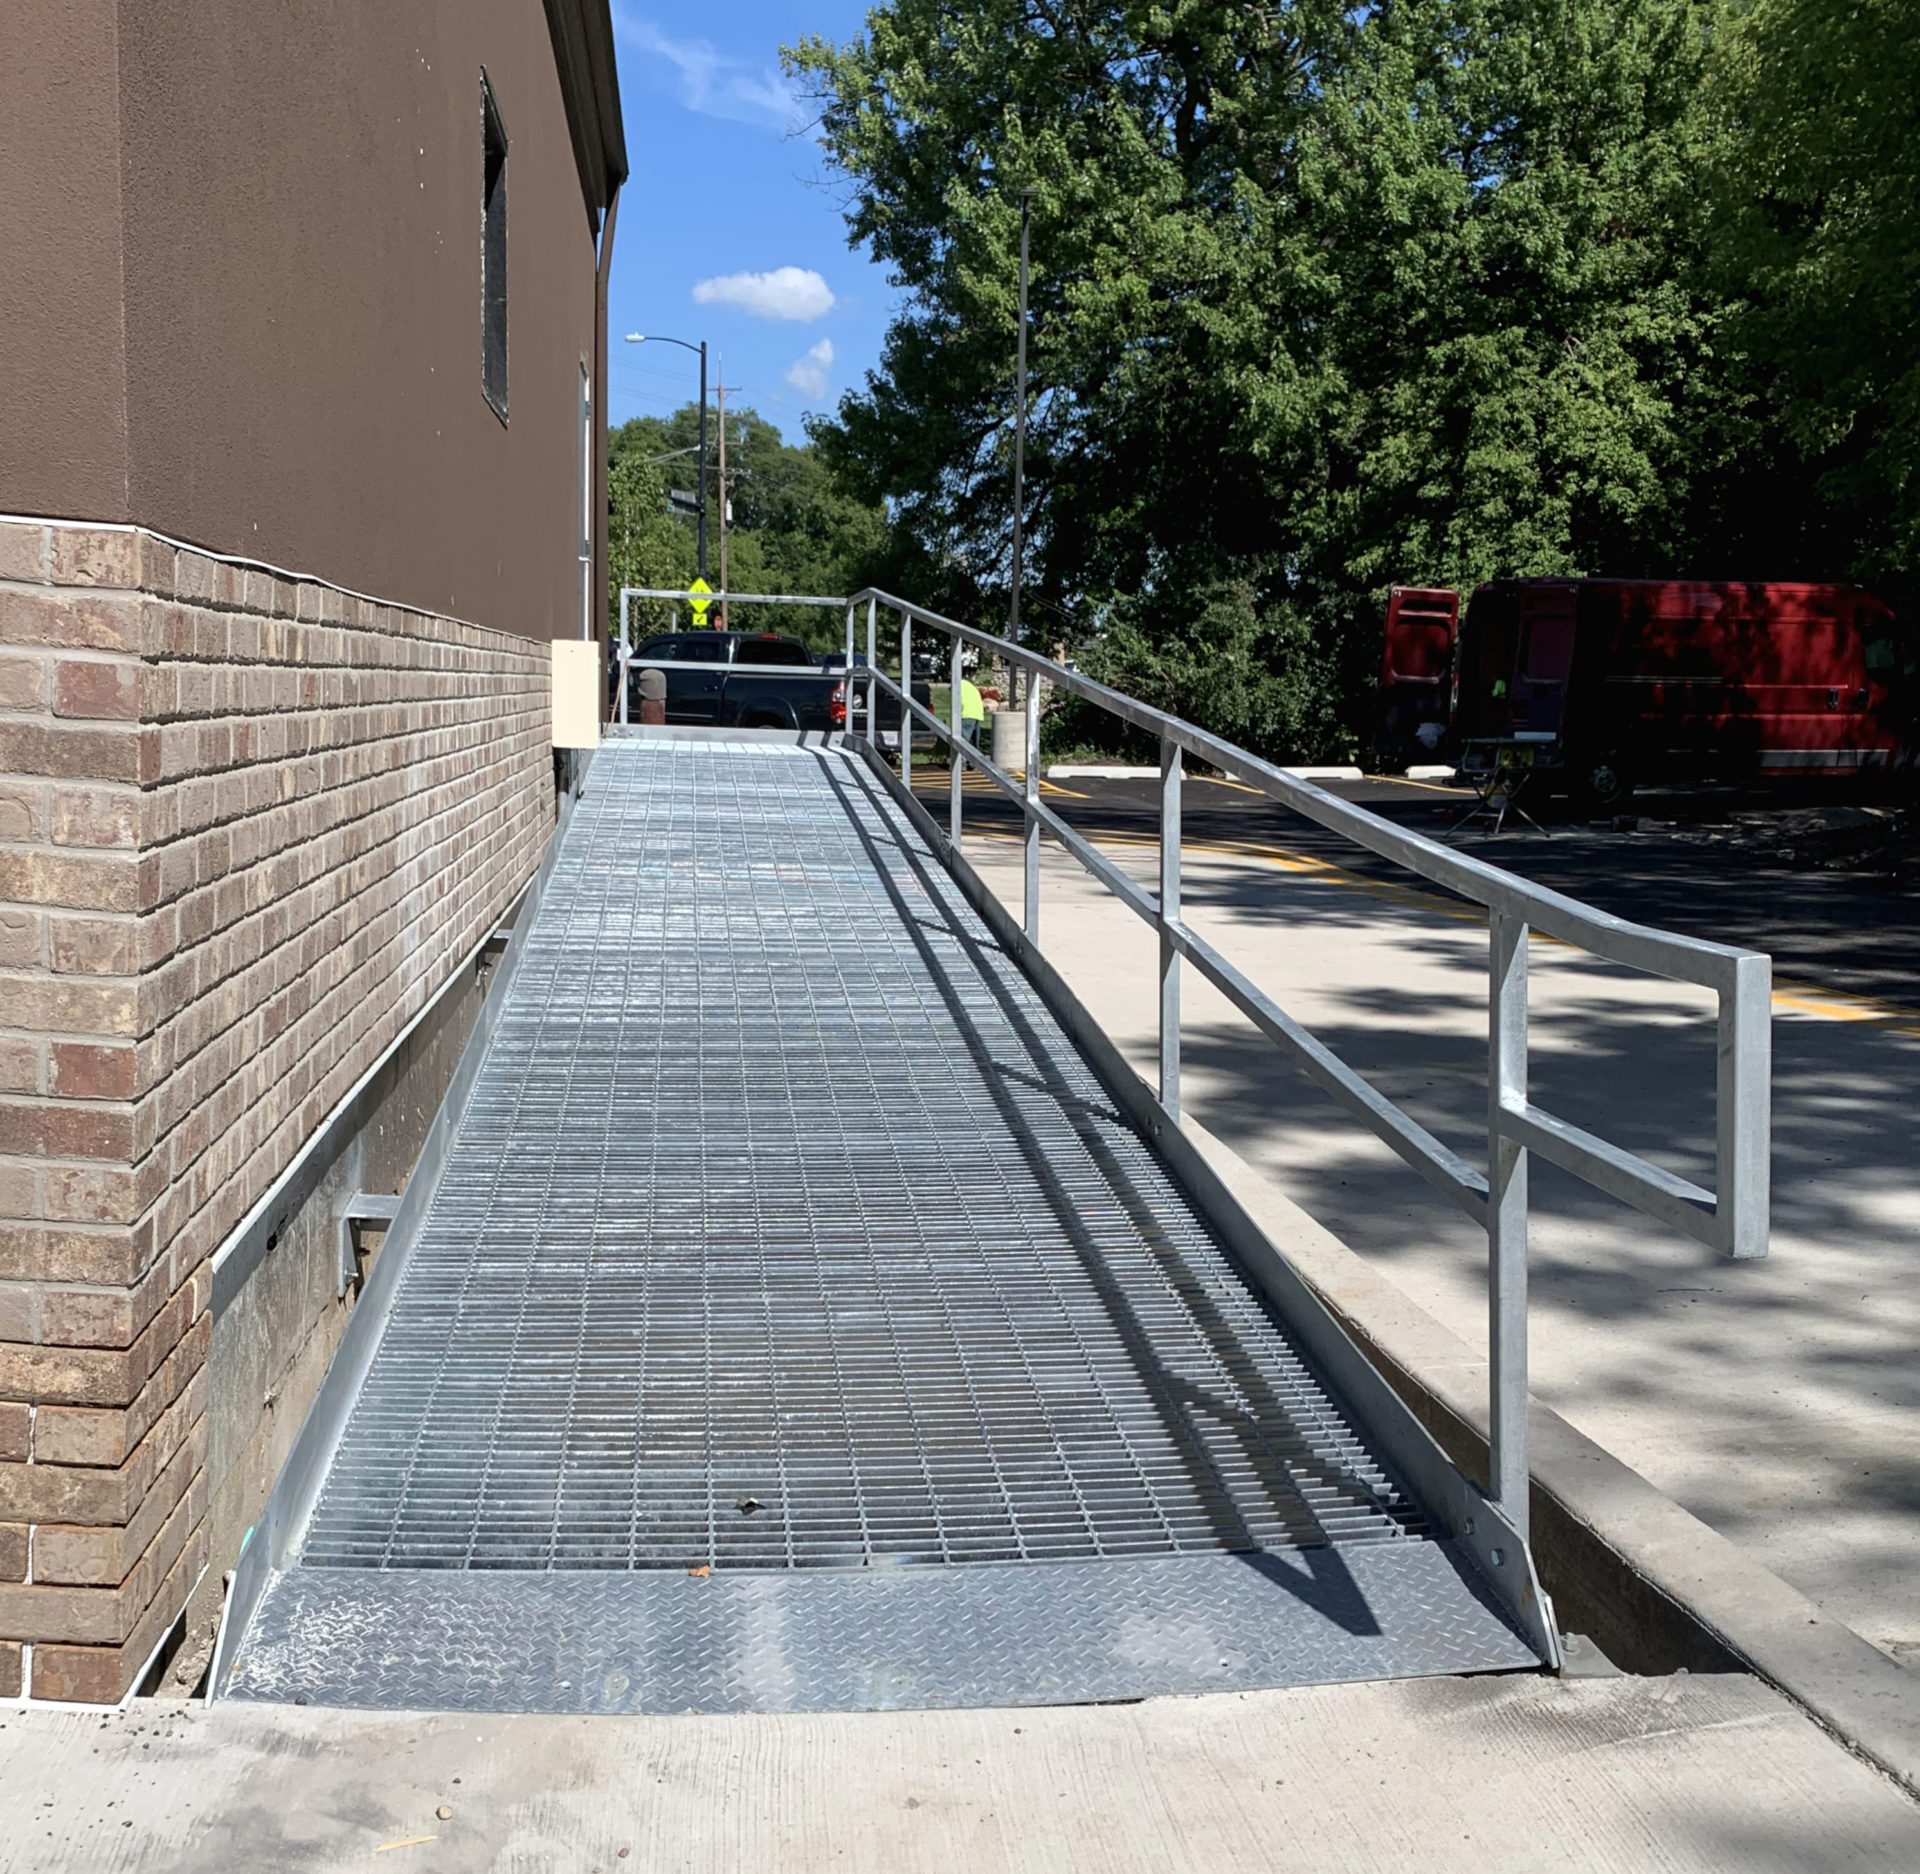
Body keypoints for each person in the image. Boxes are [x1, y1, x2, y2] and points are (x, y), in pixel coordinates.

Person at [959, 671, 986, 748]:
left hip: (966, 715)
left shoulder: (957, 686)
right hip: (978, 714)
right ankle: (973, 760)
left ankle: (961, 759)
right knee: (974, 744)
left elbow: (957, 703)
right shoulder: (971, 687)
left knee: (963, 743)